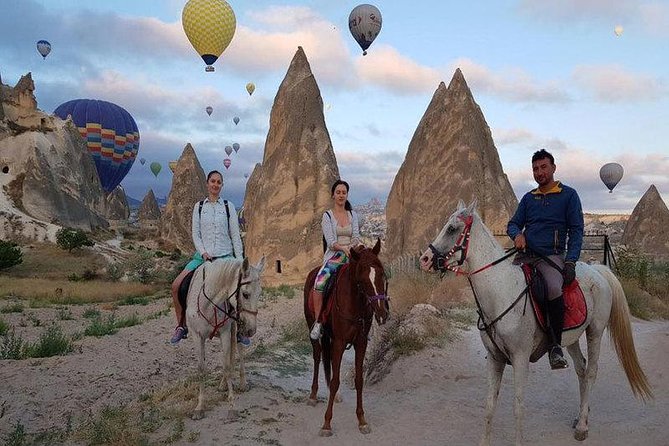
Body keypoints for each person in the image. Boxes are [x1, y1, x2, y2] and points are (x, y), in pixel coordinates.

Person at [507, 149, 584, 370]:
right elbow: (513, 224)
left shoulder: (569, 195)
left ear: (553, 168)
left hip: (550, 256)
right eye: (535, 169)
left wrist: (570, 261)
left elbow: (577, 230)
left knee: (552, 287)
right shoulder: (528, 198)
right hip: (525, 256)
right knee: (503, 283)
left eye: (543, 167)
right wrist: (517, 234)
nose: (539, 172)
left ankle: (555, 346)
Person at [169, 170, 245, 345]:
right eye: (213, 181)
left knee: (240, 290)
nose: (215, 185)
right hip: (203, 256)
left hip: (226, 257)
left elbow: (235, 235)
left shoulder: (228, 206)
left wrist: (239, 260)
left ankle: (240, 328)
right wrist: (203, 253)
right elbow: (196, 234)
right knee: (176, 286)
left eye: (219, 182)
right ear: (207, 183)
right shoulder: (199, 207)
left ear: (222, 185)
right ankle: (181, 326)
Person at [309, 180, 361, 340]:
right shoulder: (328, 216)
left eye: (343, 192)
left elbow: (357, 236)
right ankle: (318, 322)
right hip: (334, 256)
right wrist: (344, 249)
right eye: (338, 192)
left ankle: (365, 322)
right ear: (333, 195)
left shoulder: (353, 215)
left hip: (352, 255)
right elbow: (330, 241)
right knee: (319, 283)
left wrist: (355, 247)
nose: (341, 195)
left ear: (347, 195)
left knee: (367, 278)